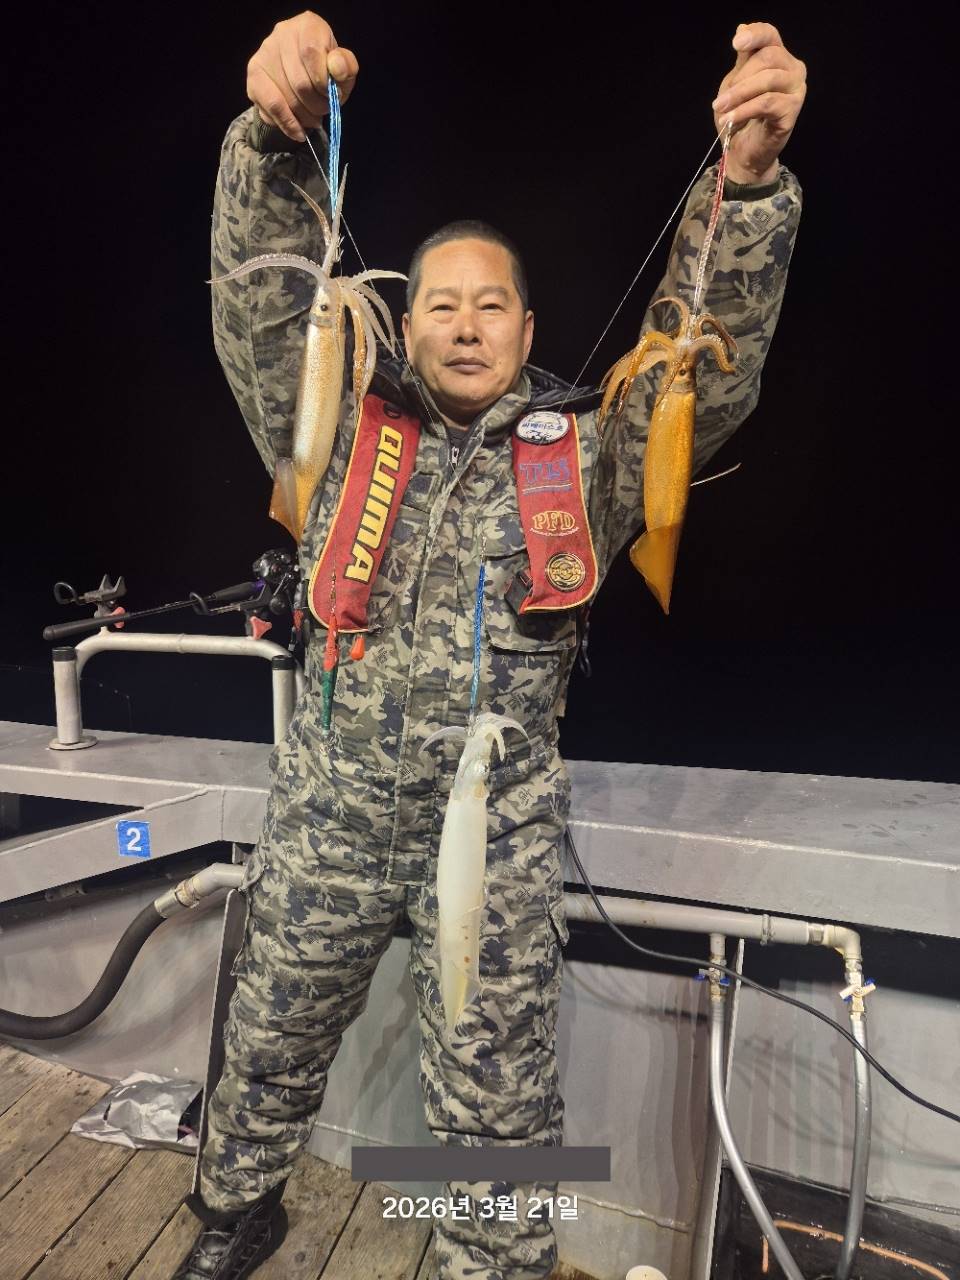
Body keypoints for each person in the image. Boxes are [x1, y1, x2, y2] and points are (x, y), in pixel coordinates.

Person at [174, 12, 807, 1279]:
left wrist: (746, 190)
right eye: (442, 304)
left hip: (500, 832)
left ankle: (491, 1263)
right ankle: (238, 1206)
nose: (466, 325)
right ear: (403, 324)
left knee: (499, 1100)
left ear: (526, 329)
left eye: (492, 305)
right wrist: (271, 140)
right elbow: (261, 297)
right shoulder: (335, 430)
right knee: (267, 1038)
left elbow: (705, 370)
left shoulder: (585, 454)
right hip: (331, 812)